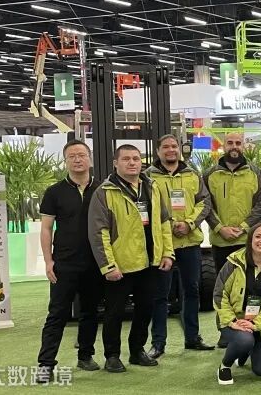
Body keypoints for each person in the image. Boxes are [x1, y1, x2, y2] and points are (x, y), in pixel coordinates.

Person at [88, 144, 174, 373]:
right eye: (126, 159)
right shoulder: (105, 192)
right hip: (120, 265)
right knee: (114, 313)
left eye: (136, 158)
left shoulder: (152, 187)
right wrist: (108, 266)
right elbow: (98, 232)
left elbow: (164, 222)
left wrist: (167, 253)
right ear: (115, 163)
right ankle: (112, 356)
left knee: (145, 309)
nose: (132, 163)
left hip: (150, 263)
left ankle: (137, 351)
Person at [35, 140, 103, 383]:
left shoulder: (102, 189)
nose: (77, 159)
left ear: (90, 159)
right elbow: (46, 229)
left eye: (81, 155)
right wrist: (48, 261)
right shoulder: (54, 192)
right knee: (57, 314)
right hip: (64, 263)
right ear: (65, 161)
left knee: (90, 312)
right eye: (72, 156)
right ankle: (45, 365)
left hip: (95, 262)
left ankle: (86, 355)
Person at [146, 134, 215, 359]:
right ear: (158, 151)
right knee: (160, 294)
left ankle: (192, 338)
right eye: (165, 147)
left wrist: (189, 223)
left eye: (174, 146)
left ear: (179, 149)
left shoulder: (192, 174)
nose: (170, 150)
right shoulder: (148, 178)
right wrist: (169, 225)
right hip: (162, 245)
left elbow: (204, 202)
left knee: (192, 290)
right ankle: (158, 343)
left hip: (189, 242)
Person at [213, 224, 261, 385]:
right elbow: (219, 294)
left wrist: (255, 324)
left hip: (260, 325)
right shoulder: (233, 262)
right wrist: (232, 321)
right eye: (257, 236)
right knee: (244, 340)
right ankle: (225, 366)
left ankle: (245, 352)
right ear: (250, 240)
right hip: (234, 321)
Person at [204, 132, 261, 277]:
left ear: (243, 146)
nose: (234, 146)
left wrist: (244, 227)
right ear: (223, 146)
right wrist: (220, 228)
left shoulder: (256, 173)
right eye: (230, 143)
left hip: (248, 240)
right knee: (224, 283)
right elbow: (205, 204)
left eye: (238, 143)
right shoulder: (209, 174)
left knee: (249, 282)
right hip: (220, 241)